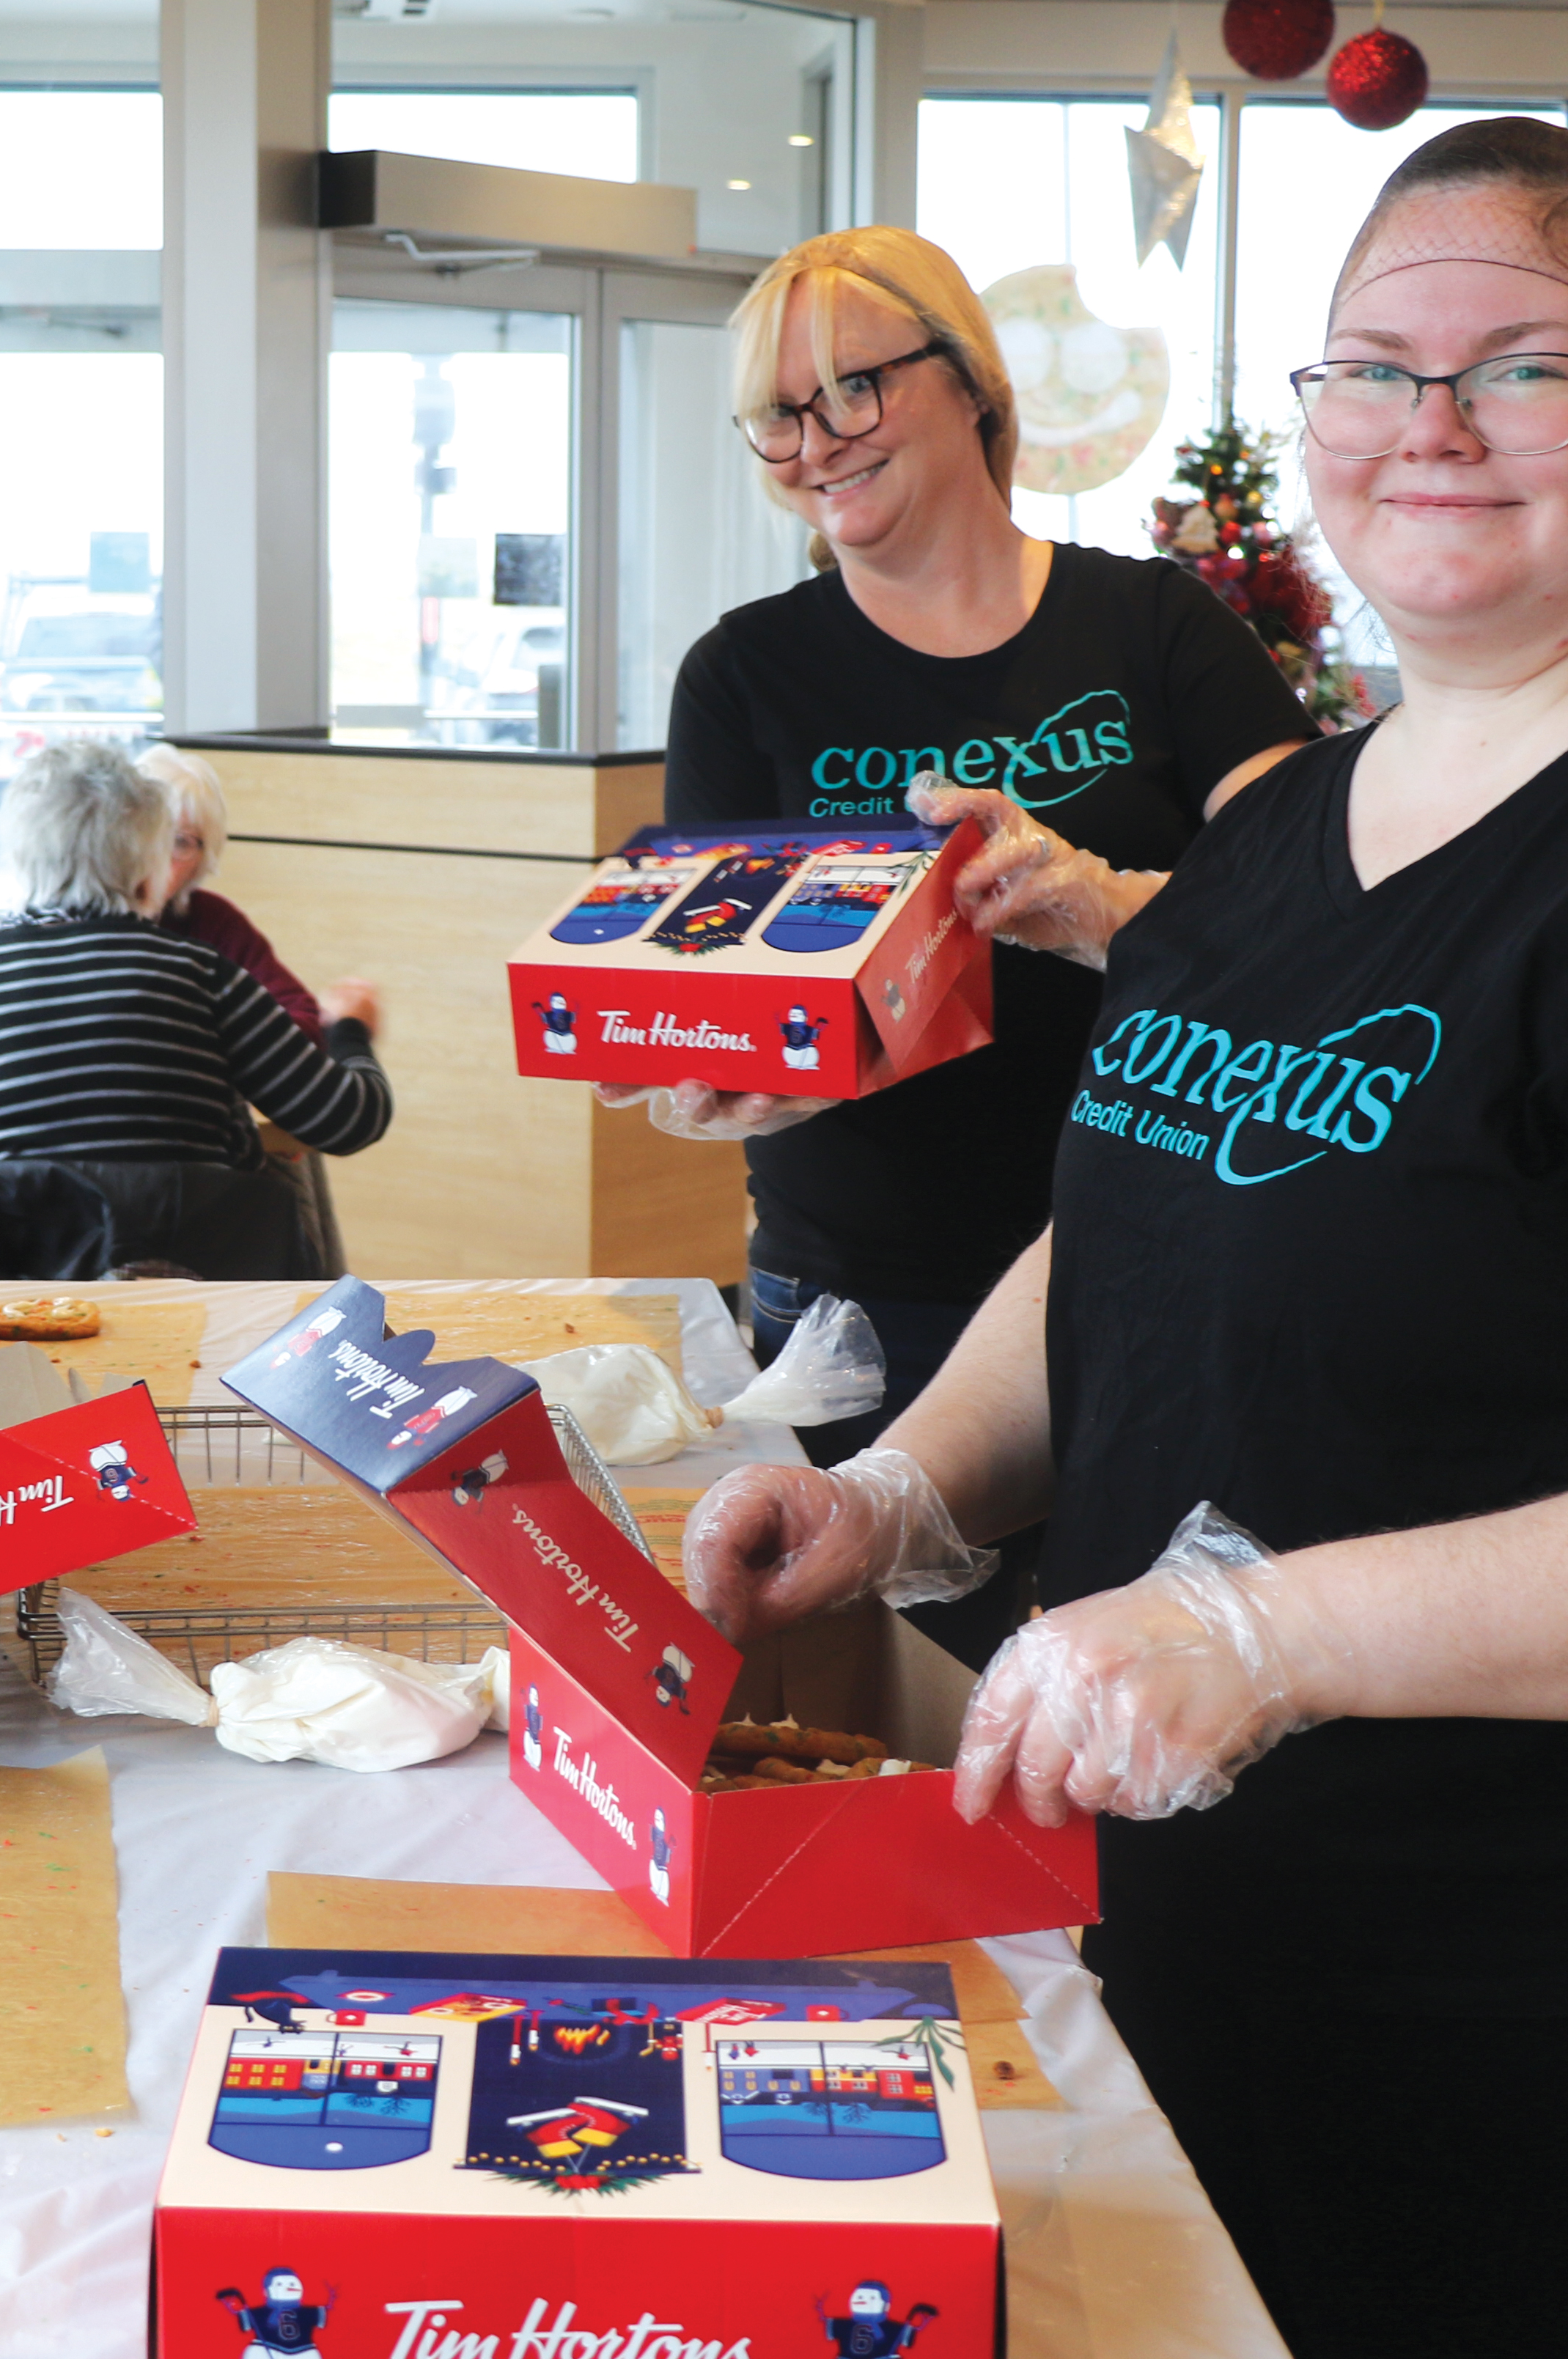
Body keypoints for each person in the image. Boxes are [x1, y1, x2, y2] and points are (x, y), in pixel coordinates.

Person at [680, 124, 1568, 2359]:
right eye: (1367, 369)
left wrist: (1254, 1627)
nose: (1425, 429)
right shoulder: (1307, 812)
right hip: (1197, 1938)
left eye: (1522, 366)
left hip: (1539, 2020)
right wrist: (901, 1489)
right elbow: (1123, 1228)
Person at [605, 227, 1314, 1660]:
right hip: (870, 1301)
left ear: (970, 379)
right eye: (779, 413)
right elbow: (732, 993)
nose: (815, 444)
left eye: (850, 390)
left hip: (1162, 1260)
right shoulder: (747, 671)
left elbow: (1323, 924)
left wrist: (1102, 902)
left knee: (1159, 1698)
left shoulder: (1155, 625)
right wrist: (733, 1065)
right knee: (905, 1719)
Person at [0, 741, 389, 1277]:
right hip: (203, 1311)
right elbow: (346, 1121)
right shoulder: (207, 978)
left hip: (9, 1315)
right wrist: (350, 1030)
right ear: (148, 868)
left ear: (18, 859)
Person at [133, 742, 323, 1037]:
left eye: (181, 842)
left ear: (200, 861)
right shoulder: (79, 918)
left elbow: (301, 1014)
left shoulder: (213, 921)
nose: (160, 855)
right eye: (151, 834)